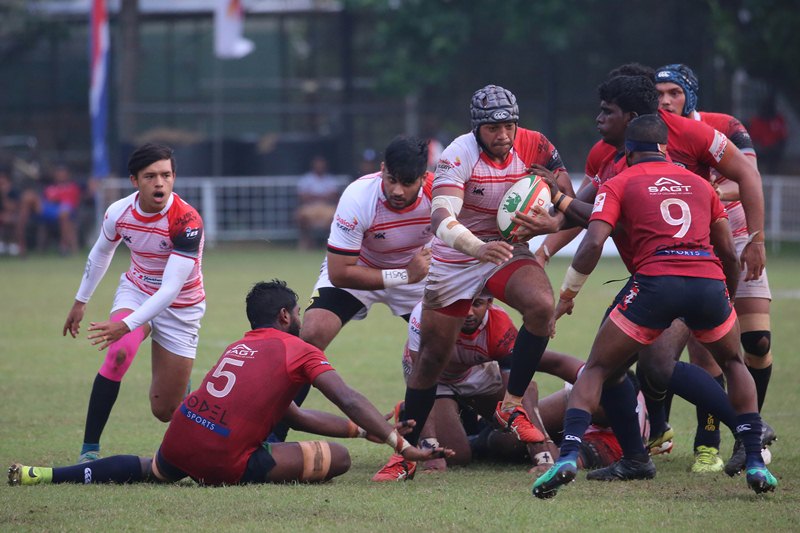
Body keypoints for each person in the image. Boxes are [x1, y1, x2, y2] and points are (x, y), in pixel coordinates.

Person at [528, 73, 769, 479]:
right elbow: (582, 212)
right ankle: (648, 453)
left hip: (658, 276)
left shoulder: (687, 138)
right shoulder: (627, 162)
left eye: (607, 112)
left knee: (621, 365)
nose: (598, 120)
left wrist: (758, 239)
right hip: (699, 275)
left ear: (633, 119)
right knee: (667, 365)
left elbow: (594, 231)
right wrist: (549, 228)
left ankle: (742, 437)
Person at [9, 280, 449, 487]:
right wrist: (398, 442)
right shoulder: (299, 350)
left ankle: (46, 475)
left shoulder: (239, 347)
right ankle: (221, 471)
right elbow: (348, 396)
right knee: (337, 461)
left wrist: (365, 432)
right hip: (223, 462)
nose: (300, 320)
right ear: (284, 317)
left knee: (152, 469)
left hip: (180, 438)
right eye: (296, 313)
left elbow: (293, 414)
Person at [394, 84, 576, 481]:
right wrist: (477, 248)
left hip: (506, 251)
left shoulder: (537, 145)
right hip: (459, 256)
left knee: (541, 307)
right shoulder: (457, 154)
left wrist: (555, 222)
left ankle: (511, 403)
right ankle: (406, 449)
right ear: (477, 128)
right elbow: (440, 218)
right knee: (432, 358)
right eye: (494, 127)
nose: (504, 134)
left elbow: (569, 201)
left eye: (510, 124)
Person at [268, 135, 434, 443]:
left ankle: (448, 429)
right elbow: (340, 272)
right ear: (382, 169)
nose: (397, 190)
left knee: (442, 346)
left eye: (408, 182)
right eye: (391, 179)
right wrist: (403, 274)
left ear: (424, 178)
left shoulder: (439, 196)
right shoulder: (359, 195)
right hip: (361, 271)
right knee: (310, 338)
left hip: (416, 277)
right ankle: (272, 434)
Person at [654, 63, 777, 474]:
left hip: (738, 235)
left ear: (690, 93)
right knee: (705, 352)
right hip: (697, 246)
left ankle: (752, 426)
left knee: (756, 341)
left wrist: (756, 240)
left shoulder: (723, 126)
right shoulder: (655, 135)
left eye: (674, 92)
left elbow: (747, 178)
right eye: (659, 94)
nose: (666, 100)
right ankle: (710, 443)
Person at [63, 143, 206, 463]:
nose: (160, 183)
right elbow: (102, 251)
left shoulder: (186, 220)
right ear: (134, 181)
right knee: (119, 353)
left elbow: (170, 289)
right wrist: (80, 301)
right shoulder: (118, 212)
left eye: (166, 175)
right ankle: (89, 450)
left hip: (180, 306)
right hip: (137, 289)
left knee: (164, 411)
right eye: (151, 176)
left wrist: (125, 324)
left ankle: (182, 388)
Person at [295, 155, 342, 250]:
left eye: (321, 164)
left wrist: (314, 195)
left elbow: (334, 196)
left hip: (326, 207)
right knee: (300, 215)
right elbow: (302, 197)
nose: (319, 166)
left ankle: (330, 243)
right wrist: (323, 196)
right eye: (317, 164)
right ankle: (306, 241)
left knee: (335, 217)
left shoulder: (330, 179)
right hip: (310, 207)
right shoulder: (306, 179)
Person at [748, 93, 788, 175]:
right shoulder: (756, 121)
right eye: (765, 107)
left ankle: (773, 172)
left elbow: (783, 137)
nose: (767, 110)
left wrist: (775, 147)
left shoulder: (778, 120)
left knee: (773, 155)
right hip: (760, 151)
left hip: (774, 152)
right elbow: (752, 139)